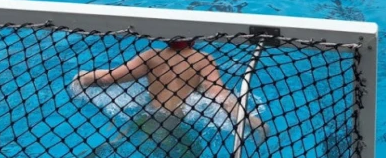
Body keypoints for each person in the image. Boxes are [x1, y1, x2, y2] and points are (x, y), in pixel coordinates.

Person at [74, 39, 270, 144]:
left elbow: (110, 77)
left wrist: (83, 77)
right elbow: (220, 95)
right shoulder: (203, 59)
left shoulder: (151, 56)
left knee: (119, 142)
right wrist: (250, 120)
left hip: (146, 118)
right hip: (174, 124)